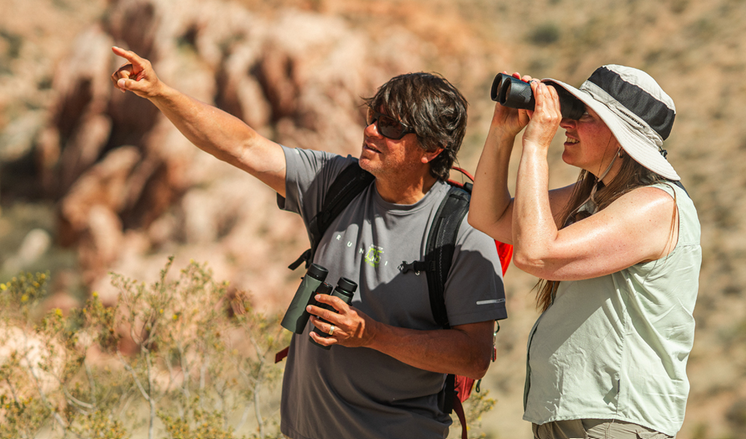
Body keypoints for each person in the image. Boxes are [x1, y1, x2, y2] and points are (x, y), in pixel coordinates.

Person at [110, 46, 507, 439]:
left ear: (431, 149)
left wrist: (371, 335)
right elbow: (241, 146)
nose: (370, 130)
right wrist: (161, 92)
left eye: (390, 126)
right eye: (373, 117)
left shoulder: (463, 230)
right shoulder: (338, 183)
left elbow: (474, 357)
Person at [468, 65, 701, 439]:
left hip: (613, 420)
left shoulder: (656, 206)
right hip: (576, 416)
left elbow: (537, 255)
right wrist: (502, 132)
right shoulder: (594, 199)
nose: (566, 123)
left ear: (622, 136)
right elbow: (488, 216)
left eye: (584, 115)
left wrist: (535, 145)